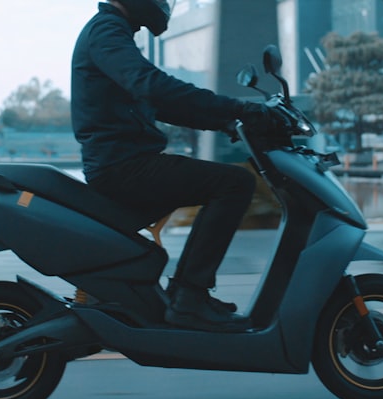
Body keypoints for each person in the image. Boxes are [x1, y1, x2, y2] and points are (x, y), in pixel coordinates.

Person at [71, 0, 284, 332]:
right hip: (122, 166)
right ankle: (190, 298)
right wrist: (239, 109)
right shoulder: (107, 31)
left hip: (123, 162)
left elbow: (162, 105)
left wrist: (227, 120)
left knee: (228, 181)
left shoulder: (113, 31)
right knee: (234, 184)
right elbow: (152, 87)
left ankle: (186, 296)